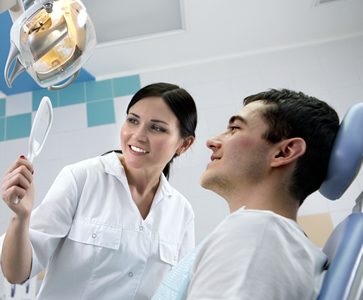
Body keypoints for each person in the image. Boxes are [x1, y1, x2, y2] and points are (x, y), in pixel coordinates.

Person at [1, 82, 197, 299]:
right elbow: (16, 273)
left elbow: (178, 292)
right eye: (132, 120)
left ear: (184, 144)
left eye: (157, 128)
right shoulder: (81, 178)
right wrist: (21, 216)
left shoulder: (182, 212)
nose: (138, 135)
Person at [152, 88, 339, 299]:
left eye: (234, 128)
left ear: (283, 152)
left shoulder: (257, 233)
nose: (211, 141)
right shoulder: (269, 237)